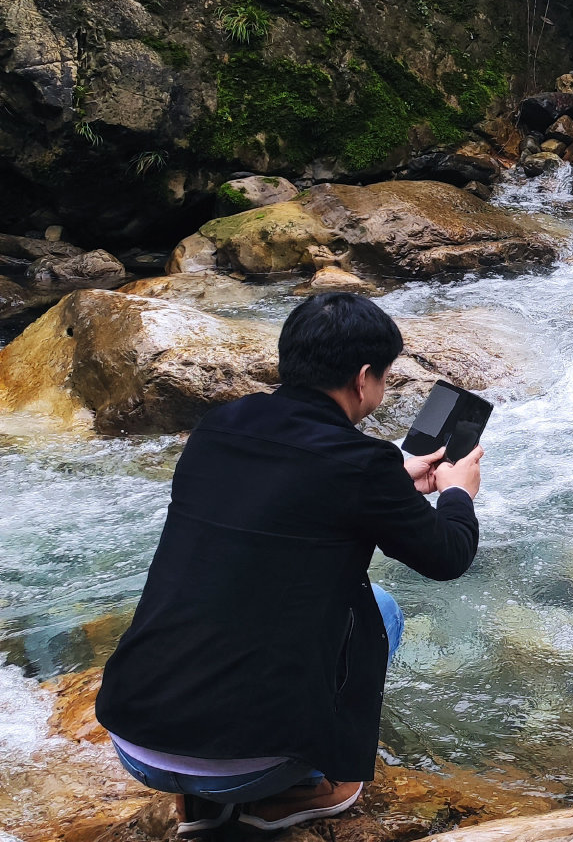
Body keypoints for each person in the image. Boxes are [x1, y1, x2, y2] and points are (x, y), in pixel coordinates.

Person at [95, 292, 484, 836]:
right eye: (385, 377)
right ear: (363, 378)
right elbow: (448, 556)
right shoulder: (362, 465)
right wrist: (458, 493)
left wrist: (393, 481)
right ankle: (303, 786)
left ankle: (198, 804)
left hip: (134, 741)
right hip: (249, 765)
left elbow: (287, 492)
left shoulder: (219, 426)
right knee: (379, 610)